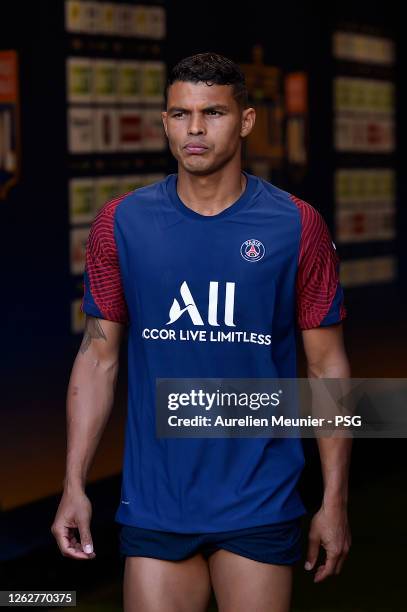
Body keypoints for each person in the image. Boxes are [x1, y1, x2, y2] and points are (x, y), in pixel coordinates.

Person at [51, 52, 352, 612]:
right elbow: (98, 359)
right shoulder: (120, 223)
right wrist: (75, 483)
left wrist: (334, 499)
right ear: (164, 121)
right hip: (155, 500)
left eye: (212, 113)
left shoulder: (296, 224)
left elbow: (325, 366)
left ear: (245, 121)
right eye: (180, 113)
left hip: (260, 499)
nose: (194, 129)